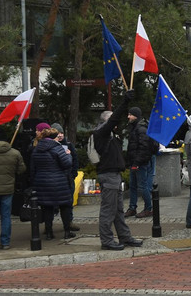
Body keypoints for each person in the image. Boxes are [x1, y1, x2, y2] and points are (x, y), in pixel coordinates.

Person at [92, 89, 143, 251]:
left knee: (118, 210)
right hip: (109, 176)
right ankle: (107, 240)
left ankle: (124, 236)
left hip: (114, 175)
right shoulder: (101, 133)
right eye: (112, 122)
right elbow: (114, 118)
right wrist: (124, 102)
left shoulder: (111, 136)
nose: (116, 123)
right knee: (108, 210)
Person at [31, 127, 75, 240]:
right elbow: (67, 164)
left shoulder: (37, 148)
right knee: (64, 205)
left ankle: (49, 232)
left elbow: (33, 166)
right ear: (53, 138)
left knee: (47, 207)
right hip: (58, 181)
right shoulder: (57, 148)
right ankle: (67, 231)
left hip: (42, 181)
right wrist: (68, 154)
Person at [124, 106, 157, 218]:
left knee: (142, 186)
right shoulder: (135, 128)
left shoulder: (141, 129)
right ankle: (132, 208)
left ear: (136, 116)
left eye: (130, 114)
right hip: (135, 162)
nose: (128, 116)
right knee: (133, 185)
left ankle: (148, 209)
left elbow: (143, 148)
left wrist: (137, 162)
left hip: (140, 163)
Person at [51, 123, 80, 232]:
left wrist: (73, 173)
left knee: (69, 201)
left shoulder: (68, 144)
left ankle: (69, 222)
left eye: (62, 133)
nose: (60, 135)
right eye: (58, 133)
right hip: (56, 178)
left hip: (68, 177)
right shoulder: (51, 145)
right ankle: (49, 224)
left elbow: (75, 159)